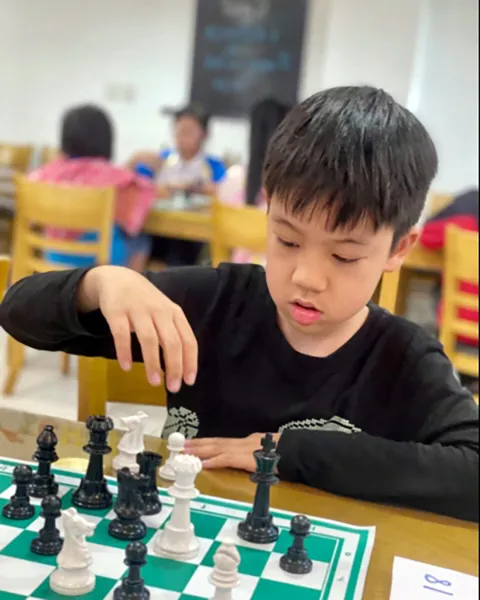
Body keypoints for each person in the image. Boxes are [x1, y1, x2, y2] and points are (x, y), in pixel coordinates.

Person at [1, 86, 478, 523]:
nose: (306, 277)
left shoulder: (403, 358)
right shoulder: (214, 304)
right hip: (190, 541)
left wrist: (290, 452)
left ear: (398, 248)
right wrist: (100, 284)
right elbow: (16, 312)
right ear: (267, 209)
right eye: (287, 240)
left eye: (344, 256)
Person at [30, 105, 157, 271]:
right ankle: (128, 285)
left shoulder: (44, 175)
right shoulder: (120, 180)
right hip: (101, 267)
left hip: (53, 262)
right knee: (141, 240)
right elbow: (143, 202)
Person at [129, 104, 227, 267]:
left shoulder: (213, 166)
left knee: (183, 251)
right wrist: (136, 160)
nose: (182, 137)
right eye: (179, 131)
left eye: (189, 131)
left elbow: (225, 192)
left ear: (204, 135)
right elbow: (137, 183)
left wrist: (198, 188)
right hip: (160, 227)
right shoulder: (162, 160)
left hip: (194, 233)